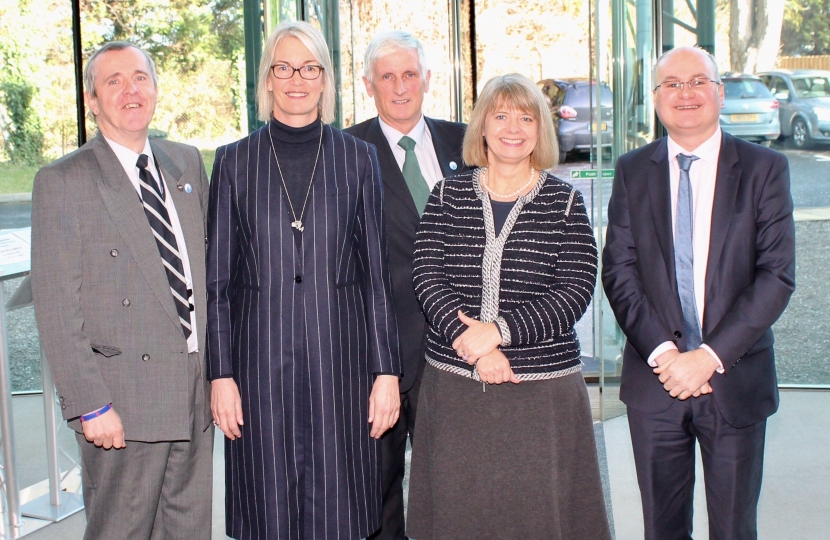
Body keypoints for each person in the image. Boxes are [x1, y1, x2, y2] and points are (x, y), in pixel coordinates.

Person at [207, 21, 401, 540]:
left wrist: (387, 373)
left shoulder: (357, 159)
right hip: (257, 371)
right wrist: (220, 375)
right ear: (267, 78)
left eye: (310, 68)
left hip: (342, 367)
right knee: (266, 508)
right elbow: (217, 286)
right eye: (284, 67)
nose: (297, 79)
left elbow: (376, 276)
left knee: (340, 506)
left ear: (325, 80)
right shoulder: (232, 162)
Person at [406, 73, 611, 540]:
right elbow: (426, 274)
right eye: (500, 115)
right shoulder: (447, 195)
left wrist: (498, 332)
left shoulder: (565, 202)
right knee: (462, 515)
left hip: (541, 399)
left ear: (541, 130)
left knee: (539, 518)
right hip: (458, 391)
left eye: (526, 117)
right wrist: (473, 344)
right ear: (482, 126)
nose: (512, 127)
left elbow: (576, 290)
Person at [602, 46, 795, 540]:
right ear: (656, 99)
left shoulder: (763, 169)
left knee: (733, 528)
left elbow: (776, 275)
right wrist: (667, 355)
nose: (685, 94)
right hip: (656, 383)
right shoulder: (631, 170)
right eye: (672, 84)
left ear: (719, 93)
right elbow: (619, 271)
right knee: (662, 529)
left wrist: (707, 357)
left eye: (697, 82)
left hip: (734, 380)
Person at [30, 42, 213, 539]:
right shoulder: (63, 181)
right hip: (122, 403)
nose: (130, 91)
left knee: (188, 529)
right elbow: (56, 306)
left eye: (139, 78)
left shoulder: (185, 164)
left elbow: (206, 274)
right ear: (92, 100)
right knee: (122, 531)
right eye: (113, 81)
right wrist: (91, 404)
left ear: (155, 88)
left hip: (193, 389)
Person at [344, 30, 467, 540]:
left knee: (460, 488)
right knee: (379, 493)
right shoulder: (346, 151)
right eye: (387, 77)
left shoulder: (468, 141)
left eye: (409, 74)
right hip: (380, 359)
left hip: (460, 353)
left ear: (428, 80)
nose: (400, 87)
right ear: (369, 84)